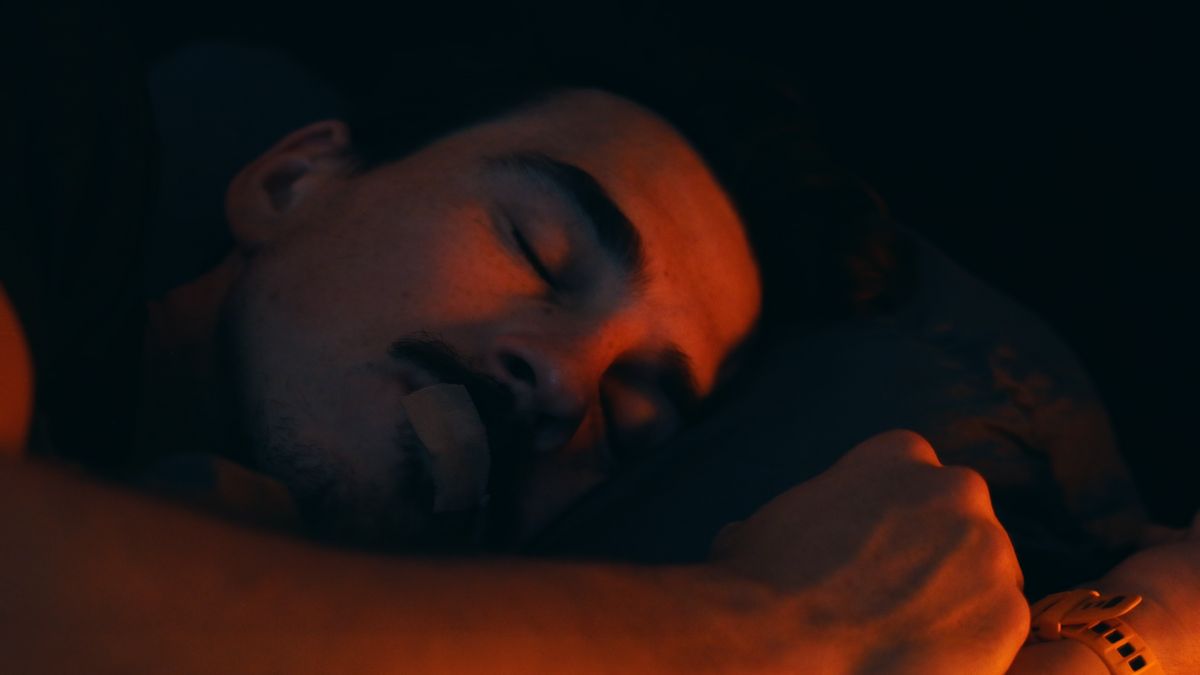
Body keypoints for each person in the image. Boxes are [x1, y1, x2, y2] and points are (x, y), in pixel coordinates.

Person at [2, 4, 1198, 673]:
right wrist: (784, 626)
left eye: (632, 417)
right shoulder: (46, 119)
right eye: (537, 248)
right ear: (292, 180)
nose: (564, 380)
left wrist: (1123, 637)